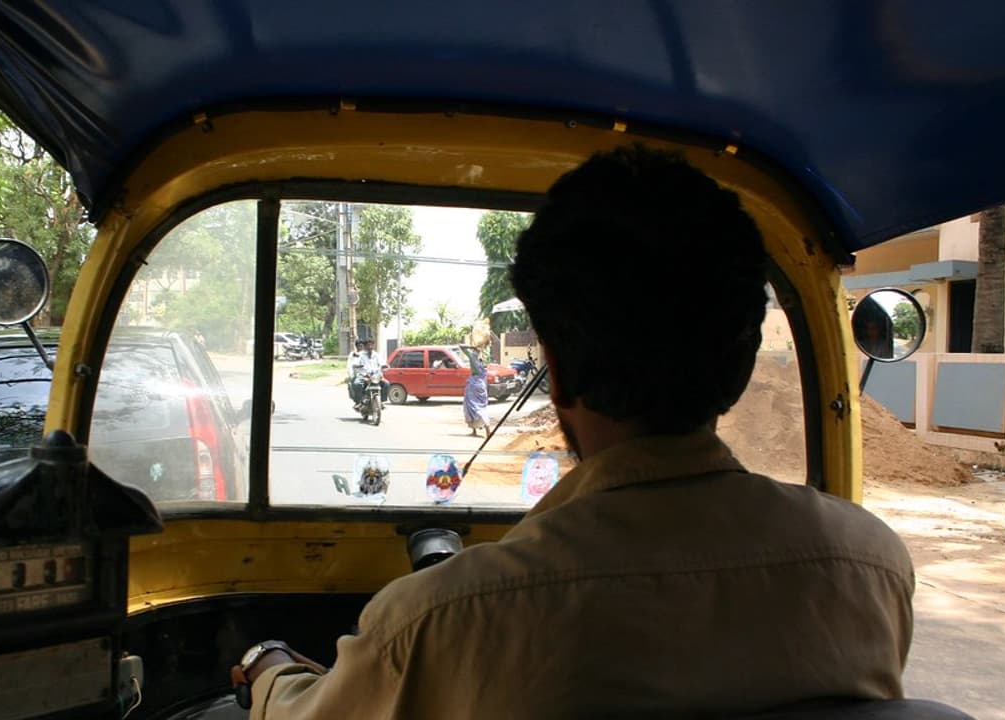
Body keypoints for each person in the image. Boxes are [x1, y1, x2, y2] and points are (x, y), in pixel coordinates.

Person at [231, 146, 914, 718]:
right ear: (737, 367)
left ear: (554, 371)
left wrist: (267, 669)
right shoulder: (872, 568)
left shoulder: (444, 622)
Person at [462, 347, 491, 436]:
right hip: (482, 385)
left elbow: (461, 346)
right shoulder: (486, 358)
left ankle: (484, 427)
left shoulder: (473, 357)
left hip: (474, 384)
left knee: (472, 407)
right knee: (481, 406)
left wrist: (471, 347)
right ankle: (484, 429)